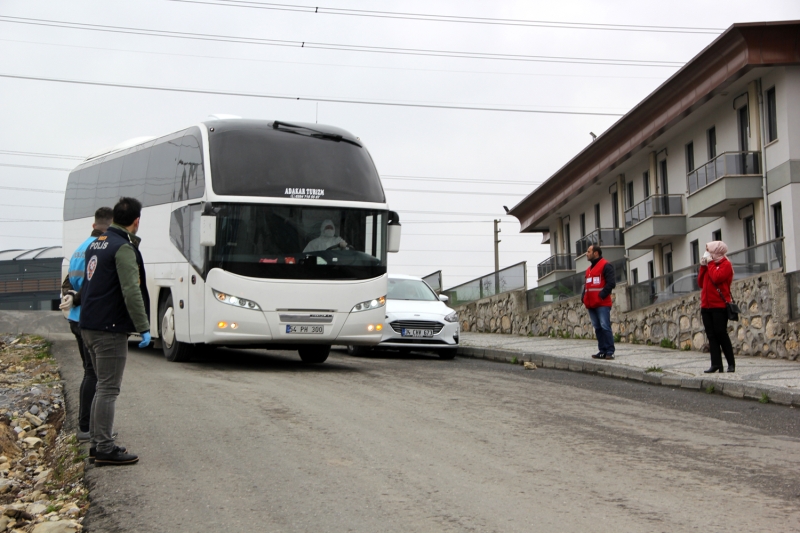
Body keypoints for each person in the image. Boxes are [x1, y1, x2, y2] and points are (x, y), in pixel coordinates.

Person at [80, 197, 151, 467]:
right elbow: (131, 290)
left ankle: (97, 444)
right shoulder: (123, 247)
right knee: (108, 389)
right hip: (108, 328)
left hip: (89, 324)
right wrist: (144, 327)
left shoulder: (96, 243)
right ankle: (105, 448)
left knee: (101, 386)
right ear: (136, 221)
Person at [59, 206, 113, 443]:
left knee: (89, 372)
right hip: (91, 318)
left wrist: (71, 298)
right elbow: (94, 287)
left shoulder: (80, 249)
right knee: (94, 374)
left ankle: (87, 426)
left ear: (93, 225)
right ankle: (86, 427)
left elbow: (68, 284)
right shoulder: (101, 250)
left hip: (75, 318)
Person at [698, 241, 735, 373]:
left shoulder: (725, 264)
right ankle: (716, 364)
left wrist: (710, 263)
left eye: (709, 251)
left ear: (716, 251)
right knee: (711, 335)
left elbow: (717, 277)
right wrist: (703, 267)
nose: (707, 253)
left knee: (721, 333)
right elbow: (700, 283)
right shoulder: (710, 265)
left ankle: (731, 363)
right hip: (706, 306)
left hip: (719, 306)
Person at [582, 244, 616, 360]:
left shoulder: (606, 265)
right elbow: (586, 286)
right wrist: (583, 297)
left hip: (602, 304)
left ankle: (610, 351)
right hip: (591, 304)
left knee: (605, 326)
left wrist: (601, 296)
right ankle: (602, 351)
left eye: (588, 251)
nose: (586, 254)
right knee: (598, 328)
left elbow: (611, 283)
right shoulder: (588, 270)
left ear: (596, 253)